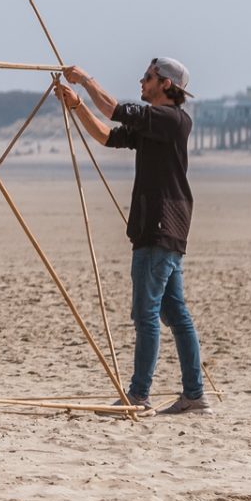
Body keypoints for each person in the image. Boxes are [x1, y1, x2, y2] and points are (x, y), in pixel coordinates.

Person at [56, 57, 207, 416]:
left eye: (148, 77)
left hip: (159, 228)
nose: (142, 81)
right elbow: (108, 136)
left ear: (166, 84)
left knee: (147, 314)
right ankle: (194, 395)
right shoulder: (157, 124)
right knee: (175, 313)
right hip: (164, 229)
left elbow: (114, 110)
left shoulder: (171, 119)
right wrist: (77, 106)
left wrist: (85, 80)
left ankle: (139, 395)